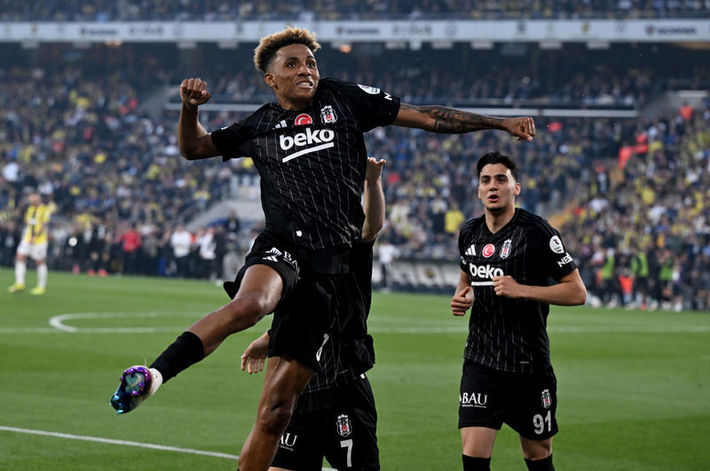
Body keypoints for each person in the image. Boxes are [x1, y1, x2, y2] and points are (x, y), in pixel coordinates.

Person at [110, 27, 535, 471]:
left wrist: (498, 122)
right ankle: (154, 374)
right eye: (292, 65)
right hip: (282, 247)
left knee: (277, 413)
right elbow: (193, 147)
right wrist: (189, 108)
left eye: (310, 63)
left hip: (328, 273)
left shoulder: (344, 100)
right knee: (251, 304)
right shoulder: (259, 125)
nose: (306, 71)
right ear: (271, 79)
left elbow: (428, 117)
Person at [241, 156, 385, 471]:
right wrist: (271, 336)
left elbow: (371, 228)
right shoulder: (288, 247)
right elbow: (301, 311)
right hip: (295, 390)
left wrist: (372, 182)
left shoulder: (346, 239)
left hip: (342, 388)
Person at [450, 152, 586, 471]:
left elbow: (577, 292)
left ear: (516, 188)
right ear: (478, 190)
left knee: (538, 457)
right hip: (481, 362)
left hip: (528, 365)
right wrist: (462, 295)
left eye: (501, 179)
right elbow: (466, 276)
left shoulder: (537, 232)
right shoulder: (469, 233)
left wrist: (523, 289)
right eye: (486, 180)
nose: (492, 186)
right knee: (473, 458)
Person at [8, 192, 55, 295]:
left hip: (39, 240)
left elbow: (43, 225)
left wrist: (35, 236)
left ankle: (41, 287)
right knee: (20, 257)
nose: (30, 199)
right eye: (30, 197)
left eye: (32, 197)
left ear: (37, 198)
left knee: (39, 262)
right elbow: (27, 222)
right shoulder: (30, 209)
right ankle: (20, 283)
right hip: (27, 238)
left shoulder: (45, 209)